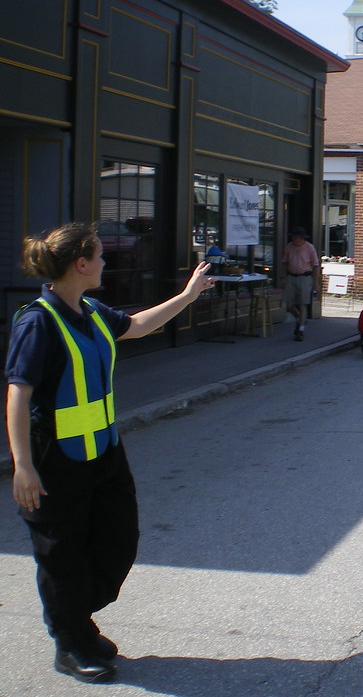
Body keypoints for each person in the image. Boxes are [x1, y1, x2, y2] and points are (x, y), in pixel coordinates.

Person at [5, 222, 216, 683]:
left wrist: (188, 295)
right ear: (80, 264)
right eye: (100, 256)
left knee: (117, 541)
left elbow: (138, 326)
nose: (105, 263)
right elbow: (18, 394)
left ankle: (76, 617)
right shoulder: (37, 320)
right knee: (62, 556)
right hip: (55, 459)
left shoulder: (92, 310)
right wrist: (23, 467)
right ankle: (70, 641)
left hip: (104, 453)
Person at [282, 227, 320, 342]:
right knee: (289, 304)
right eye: (293, 237)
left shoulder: (309, 248)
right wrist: (283, 277)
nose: (294, 239)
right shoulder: (289, 247)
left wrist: (316, 282)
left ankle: (301, 330)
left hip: (305, 277)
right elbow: (285, 262)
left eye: (296, 237)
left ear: (301, 238)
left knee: (303, 303)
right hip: (291, 277)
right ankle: (300, 318)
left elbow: (315, 265)